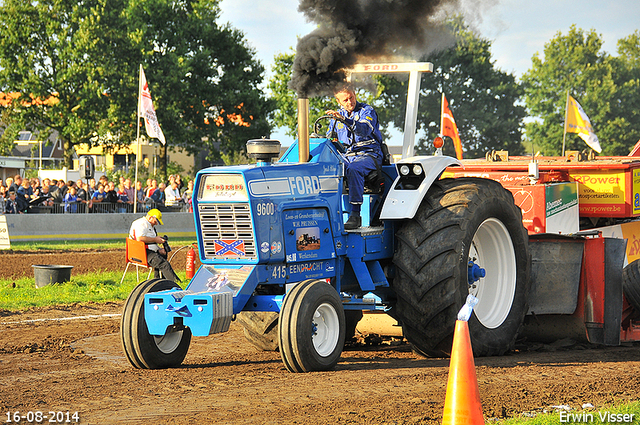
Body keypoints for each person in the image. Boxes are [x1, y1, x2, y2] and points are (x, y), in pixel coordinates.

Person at [325, 84, 383, 229]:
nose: (349, 102)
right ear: (338, 102)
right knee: (327, 166)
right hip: (347, 156)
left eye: (351, 97)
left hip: (369, 154)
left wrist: (345, 120)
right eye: (345, 100)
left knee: (354, 168)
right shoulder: (335, 118)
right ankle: (328, 212)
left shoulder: (367, 111)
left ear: (355, 94)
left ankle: (355, 214)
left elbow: (364, 130)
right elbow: (329, 140)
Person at [128, 209, 180, 283]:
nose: (156, 224)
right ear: (150, 218)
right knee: (164, 264)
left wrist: (159, 249)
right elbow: (140, 238)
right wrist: (155, 239)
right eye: (156, 221)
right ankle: (174, 283)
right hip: (141, 252)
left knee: (163, 255)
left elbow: (150, 241)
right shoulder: (141, 224)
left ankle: (158, 280)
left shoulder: (149, 225)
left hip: (147, 251)